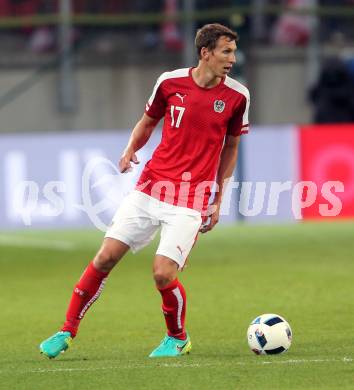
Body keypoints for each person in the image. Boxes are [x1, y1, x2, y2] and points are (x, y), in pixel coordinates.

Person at [39, 23, 250, 359]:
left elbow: (232, 146)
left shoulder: (237, 96)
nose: (232, 59)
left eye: (233, 51)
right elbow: (148, 120)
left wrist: (218, 198)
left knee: (163, 273)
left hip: (191, 198)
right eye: (226, 51)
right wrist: (129, 149)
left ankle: (177, 338)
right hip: (151, 186)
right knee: (105, 257)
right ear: (205, 53)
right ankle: (67, 330)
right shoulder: (170, 82)